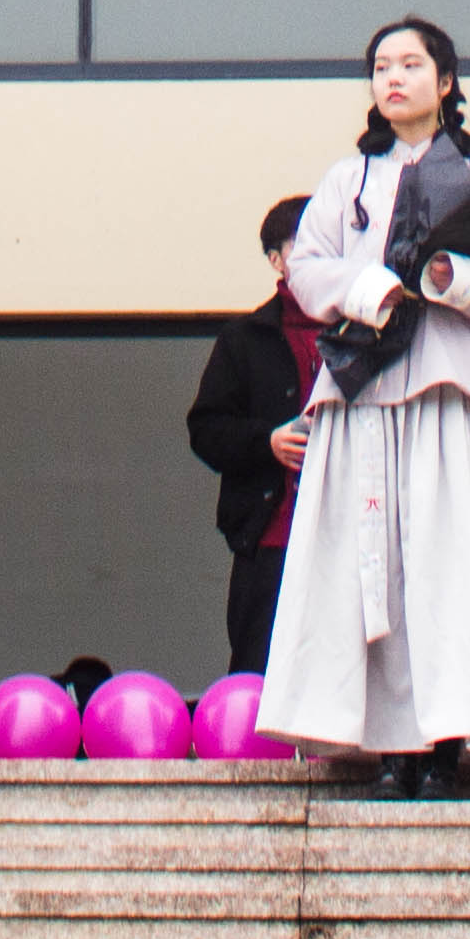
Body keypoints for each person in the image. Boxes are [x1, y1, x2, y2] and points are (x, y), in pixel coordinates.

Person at [265, 17, 470, 800]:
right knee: (373, 571)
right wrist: (367, 287)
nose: (394, 78)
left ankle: (446, 740)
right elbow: (306, 270)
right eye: (382, 66)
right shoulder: (347, 179)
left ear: (445, 80)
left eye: (411, 64)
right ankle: (389, 746)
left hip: (448, 400)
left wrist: (456, 278)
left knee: (448, 568)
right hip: (363, 400)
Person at [182, 196, 322, 681]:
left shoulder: (370, 334)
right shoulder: (244, 339)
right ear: (276, 261)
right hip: (272, 540)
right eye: (306, 247)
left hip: (353, 543)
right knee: (257, 678)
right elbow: (206, 429)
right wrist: (268, 443)